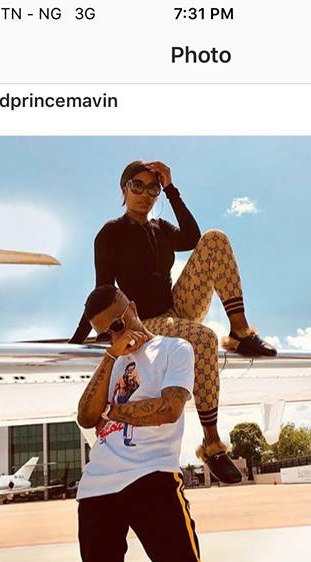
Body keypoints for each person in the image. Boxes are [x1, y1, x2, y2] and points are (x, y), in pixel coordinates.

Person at [70, 159, 277, 484]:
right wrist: (81, 338)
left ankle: (240, 331)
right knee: (204, 338)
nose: (145, 194)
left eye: (152, 188)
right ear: (124, 189)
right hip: (145, 321)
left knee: (215, 239)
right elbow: (104, 292)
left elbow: (193, 238)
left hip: (177, 308)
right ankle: (212, 445)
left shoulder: (161, 229)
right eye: (137, 186)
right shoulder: (111, 233)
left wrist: (171, 188)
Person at [76, 282, 238, 562]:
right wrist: (109, 357)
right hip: (96, 490)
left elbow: (169, 409)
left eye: (117, 324)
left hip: (152, 480)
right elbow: (84, 416)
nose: (115, 335)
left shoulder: (173, 349)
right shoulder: (112, 361)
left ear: (132, 307)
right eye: (105, 333)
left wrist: (112, 411)